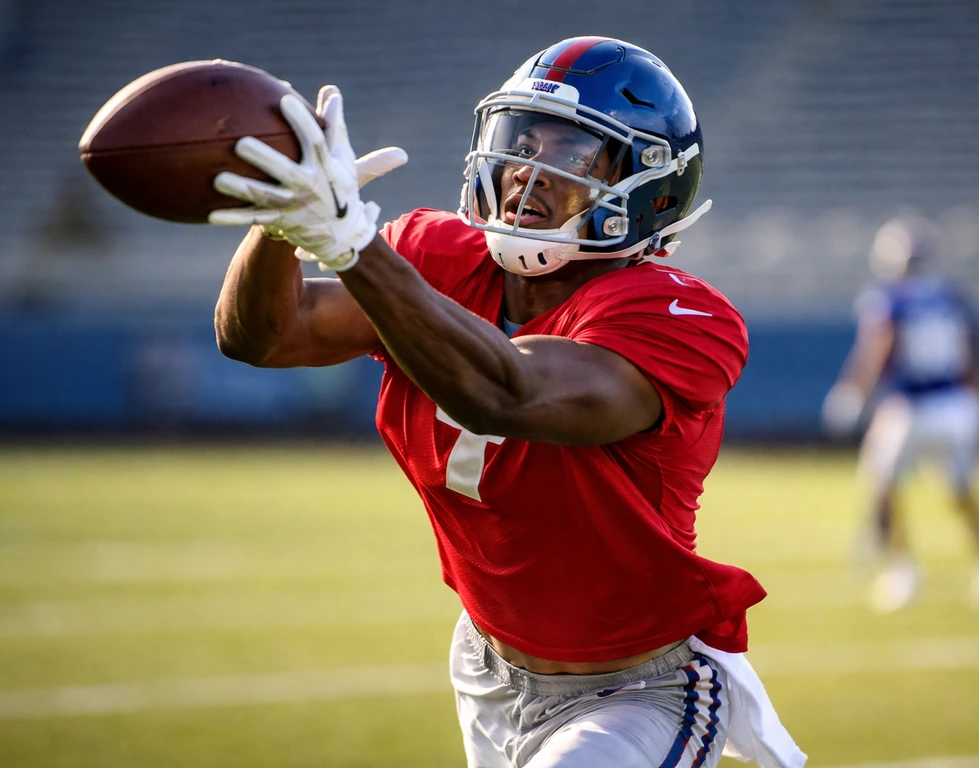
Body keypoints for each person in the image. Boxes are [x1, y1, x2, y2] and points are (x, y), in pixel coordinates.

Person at [210, 36, 804, 768]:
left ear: (649, 186)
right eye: (521, 141)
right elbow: (263, 336)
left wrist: (355, 246)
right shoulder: (435, 255)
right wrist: (280, 225)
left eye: (574, 153)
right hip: (487, 669)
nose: (530, 170)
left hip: (638, 690)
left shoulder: (679, 314)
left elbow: (505, 393)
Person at [822, 215, 979, 613]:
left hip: (915, 405)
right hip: (958, 403)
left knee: (881, 484)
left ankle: (902, 571)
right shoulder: (950, 294)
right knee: (962, 492)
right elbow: (973, 352)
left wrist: (853, 391)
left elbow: (879, 349)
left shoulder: (891, 297)